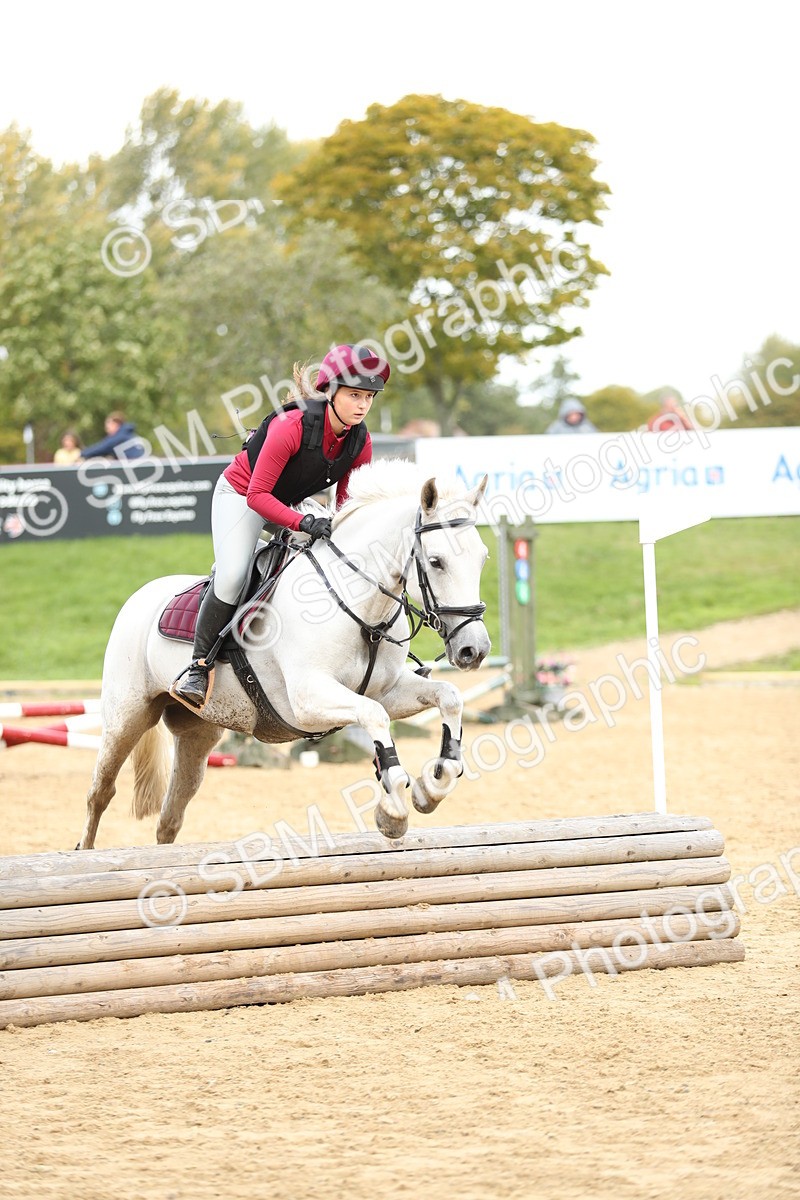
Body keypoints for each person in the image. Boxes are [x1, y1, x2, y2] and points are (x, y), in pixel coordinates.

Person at [171, 343, 391, 710]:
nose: (363, 405)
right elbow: (258, 496)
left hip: (288, 503)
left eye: (369, 397)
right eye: (354, 395)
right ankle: (198, 666)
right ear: (330, 392)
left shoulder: (359, 441)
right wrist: (304, 521)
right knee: (233, 575)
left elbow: (345, 506)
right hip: (241, 495)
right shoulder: (292, 425)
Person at [80, 411, 145, 460]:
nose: (106, 429)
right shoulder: (129, 435)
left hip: (136, 468)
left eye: (108, 426)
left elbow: (100, 448)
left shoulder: (119, 437)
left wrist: (81, 454)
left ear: (116, 424)